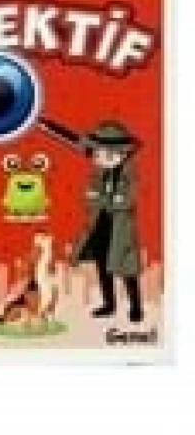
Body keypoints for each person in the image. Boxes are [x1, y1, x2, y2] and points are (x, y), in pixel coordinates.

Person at [71, 120, 144, 323]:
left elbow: (127, 200)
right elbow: (90, 197)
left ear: (118, 153)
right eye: (96, 153)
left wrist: (107, 199)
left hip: (120, 228)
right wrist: (105, 199)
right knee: (102, 266)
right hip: (100, 224)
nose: (96, 157)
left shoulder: (129, 172)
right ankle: (109, 304)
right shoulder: (100, 172)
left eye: (100, 153)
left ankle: (136, 307)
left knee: (127, 269)